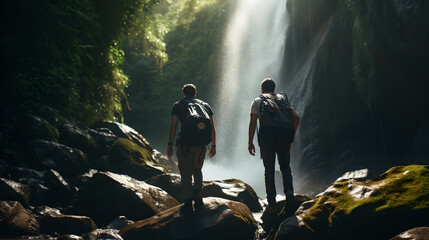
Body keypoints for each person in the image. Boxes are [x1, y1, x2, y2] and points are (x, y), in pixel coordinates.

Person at [248, 78, 300, 213]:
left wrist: (250, 142)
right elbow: (296, 118)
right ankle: (290, 198)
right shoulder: (283, 99)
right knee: (285, 168)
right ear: (274, 88)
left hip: (267, 139)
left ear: (262, 89)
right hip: (284, 138)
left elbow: (253, 122)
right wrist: (290, 136)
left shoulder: (258, 101)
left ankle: (272, 204)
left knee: (269, 170)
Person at [167, 83, 216, 214]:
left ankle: (188, 202)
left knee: (186, 172)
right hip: (201, 144)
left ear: (184, 93)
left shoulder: (178, 105)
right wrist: (213, 146)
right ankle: (198, 197)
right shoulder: (205, 105)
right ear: (195, 93)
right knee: (197, 170)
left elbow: (174, 125)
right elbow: (212, 127)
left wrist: (170, 144)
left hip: (184, 143)